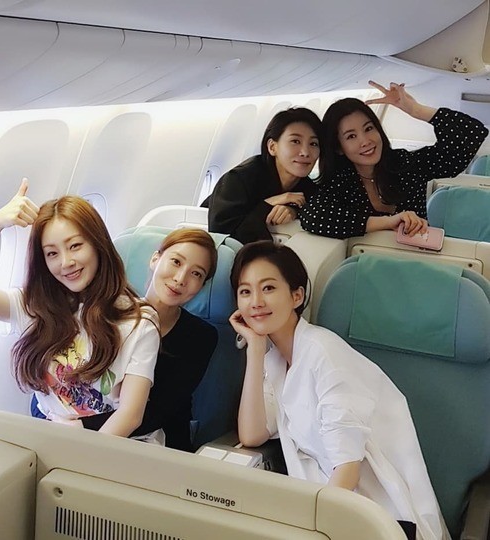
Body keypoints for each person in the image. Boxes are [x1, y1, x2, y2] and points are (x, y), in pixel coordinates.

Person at [229, 241, 450, 540]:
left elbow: (347, 470)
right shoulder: (277, 359)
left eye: (268, 288)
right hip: (328, 509)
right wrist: (255, 350)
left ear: (297, 296)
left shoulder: (324, 354)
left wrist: (311, 531)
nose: (256, 301)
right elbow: (252, 435)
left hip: (375, 519)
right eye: (245, 291)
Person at [0, 179, 160, 437]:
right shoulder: (34, 306)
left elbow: (130, 415)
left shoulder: (139, 322)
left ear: (98, 244)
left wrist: (77, 451)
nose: (66, 262)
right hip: (49, 431)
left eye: (75, 246)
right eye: (52, 253)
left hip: (107, 440)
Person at [81, 229, 219, 452]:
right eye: (176, 262)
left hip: (162, 447)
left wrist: (80, 427)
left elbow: (158, 411)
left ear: (202, 286)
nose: (180, 278)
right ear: (155, 259)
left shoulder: (200, 337)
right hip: (94, 429)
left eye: (196, 274)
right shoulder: (110, 314)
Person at [297, 81, 488, 239]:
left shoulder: (404, 164)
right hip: (369, 263)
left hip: (419, 257)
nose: (365, 141)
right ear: (339, 147)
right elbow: (314, 217)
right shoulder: (339, 182)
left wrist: (416, 110)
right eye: (351, 136)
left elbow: (470, 135)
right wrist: (389, 222)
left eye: (369, 128)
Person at [203, 107, 322, 244]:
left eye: (313, 144)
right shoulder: (238, 180)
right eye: (295, 141)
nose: (305, 152)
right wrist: (269, 204)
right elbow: (223, 240)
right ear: (272, 147)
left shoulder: (309, 189)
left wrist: (294, 210)